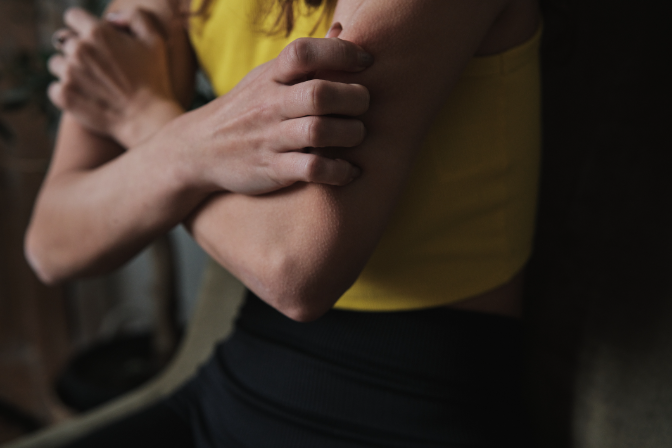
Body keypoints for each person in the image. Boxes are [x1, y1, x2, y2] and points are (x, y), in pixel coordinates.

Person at [26, 0, 542, 446]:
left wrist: (144, 120)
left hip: (413, 411)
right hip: (236, 386)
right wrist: (187, 148)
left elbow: (294, 271)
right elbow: (53, 242)